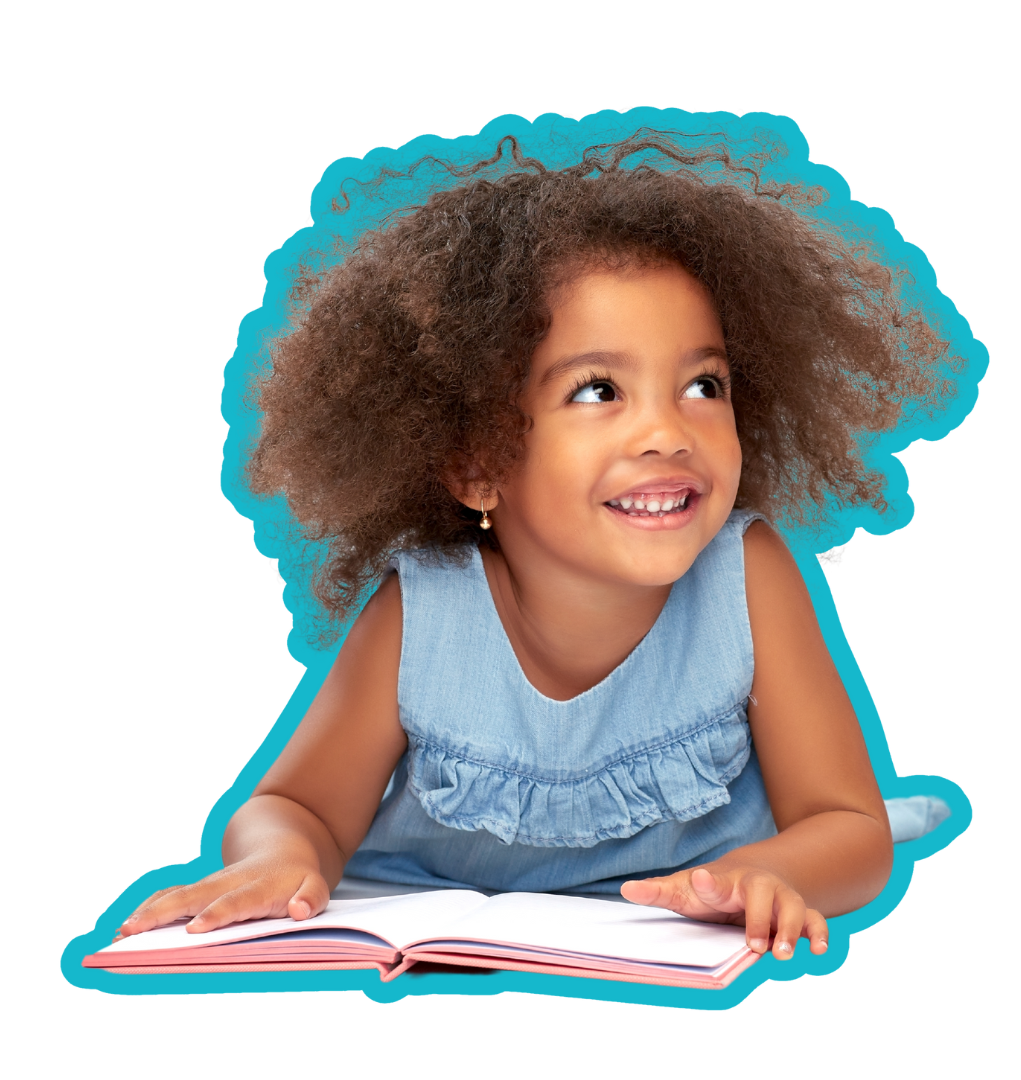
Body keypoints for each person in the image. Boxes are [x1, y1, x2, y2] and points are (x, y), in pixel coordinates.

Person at [118, 131, 958, 963]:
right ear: (478, 462)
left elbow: (848, 827)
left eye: (704, 385)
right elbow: (295, 804)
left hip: (673, 952)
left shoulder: (748, 577)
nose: (668, 431)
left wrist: (767, 872)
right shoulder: (424, 610)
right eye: (599, 390)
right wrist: (284, 857)